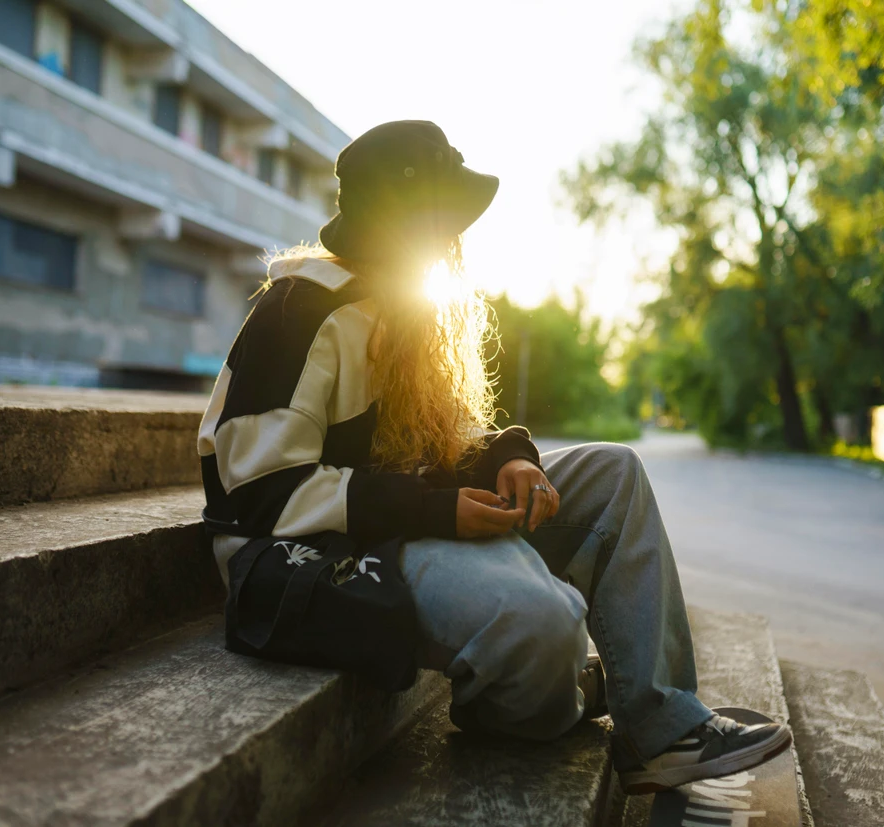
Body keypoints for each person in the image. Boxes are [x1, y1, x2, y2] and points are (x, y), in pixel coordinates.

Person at [196, 120, 791, 793]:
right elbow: (261, 494)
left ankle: (660, 723)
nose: (452, 240)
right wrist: (436, 510)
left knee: (614, 473)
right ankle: (551, 690)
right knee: (546, 625)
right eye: (441, 221)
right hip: (309, 552)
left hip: (396, 518)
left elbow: (445, 434)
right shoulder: (298, 313)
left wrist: (508, 458)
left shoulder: (400, 304)